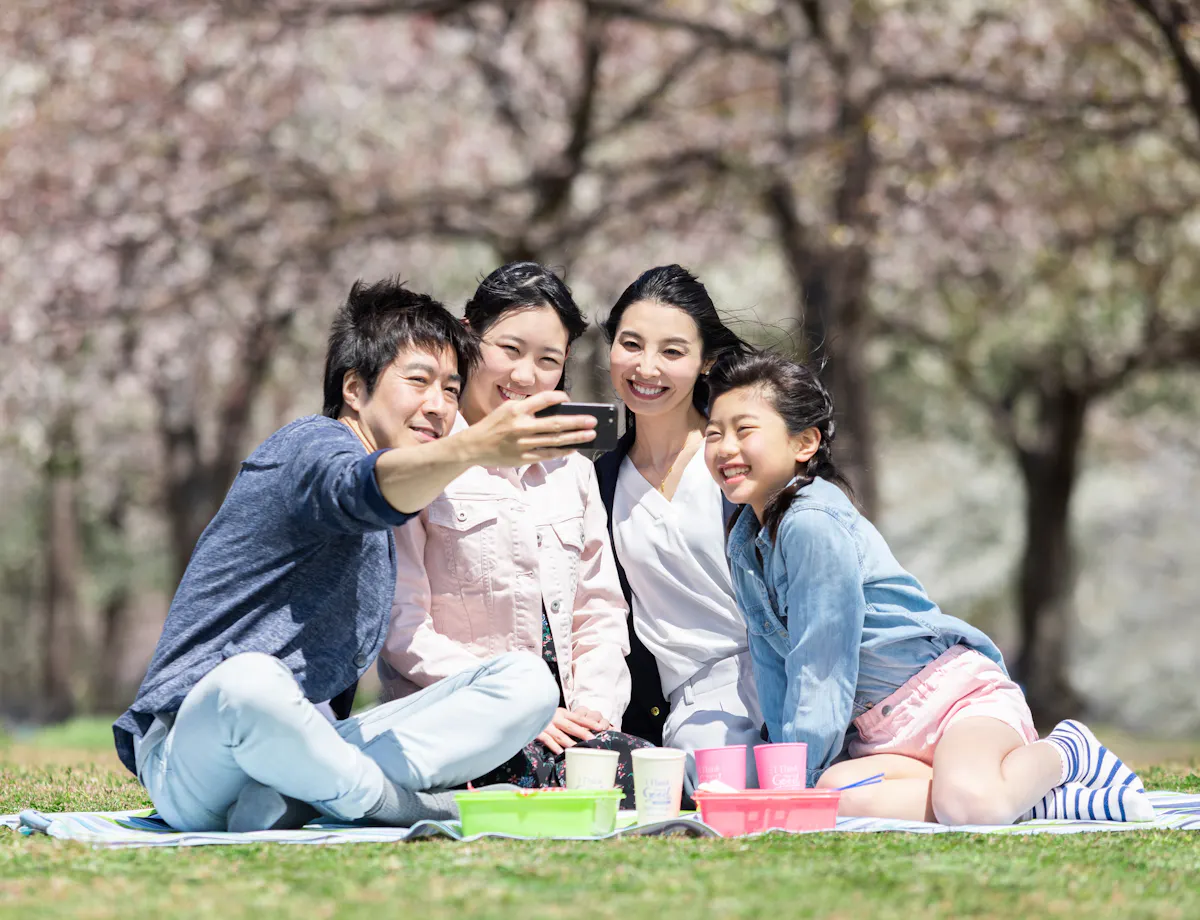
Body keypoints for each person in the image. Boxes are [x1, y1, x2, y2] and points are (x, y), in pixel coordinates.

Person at [113, 278, 599, 833]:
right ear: (354, 388)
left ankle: (298, 798)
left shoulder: (410, 483)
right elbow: (357, 488)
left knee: (527, 684)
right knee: (249, 681)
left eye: (450, 388)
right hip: (196, 751)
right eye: (418, 381)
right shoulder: (307, 447)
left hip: (311, 746)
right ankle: (389, 804)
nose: (438, 407)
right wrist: (475, 447)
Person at [704, 350, 1153, 825]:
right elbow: (775, 665)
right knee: (832, 795)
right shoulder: (744, 541)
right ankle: (1030, 796)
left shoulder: (811, 522)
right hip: (881, 736)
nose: (726, 447)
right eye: (714, 433)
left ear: (805, 442)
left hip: (954, 705)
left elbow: (821, 662)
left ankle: (1066, 752)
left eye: (744, 430)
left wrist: (795, 785)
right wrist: (788, 774)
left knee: (966, 807)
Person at [379, 262, 650, 803]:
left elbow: (598, 609)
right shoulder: (423, 457)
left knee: (662, 779)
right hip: (459, 720)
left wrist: (593, 713)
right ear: (467, 336)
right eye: (510, 350)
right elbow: (402, 626)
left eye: (548, 360)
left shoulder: (570, 468)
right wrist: (515, 706)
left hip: (567, 723)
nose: (526, 377)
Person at [594, 264, 763, 785]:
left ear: (706, 360)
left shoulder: (737, 458)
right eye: (631, 344)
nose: (646, 368)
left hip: (783, 673)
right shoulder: (597, 484)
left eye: (671, 351)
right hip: (697, 705)